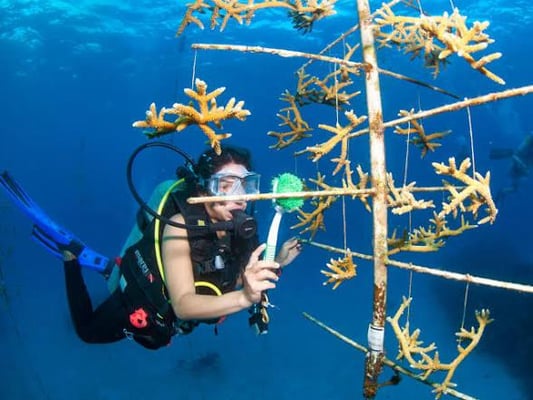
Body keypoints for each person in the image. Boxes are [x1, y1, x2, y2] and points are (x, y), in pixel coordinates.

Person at [0, 145, 302, 350]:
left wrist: (277, 262)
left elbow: (229, 279)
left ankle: (111, 268)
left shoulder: (241, 230)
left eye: (247, 185)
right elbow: (184, 304)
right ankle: (70, 259)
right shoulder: (178, 227)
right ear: (203, 188)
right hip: (146, 296)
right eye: (226, 185)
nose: (241, 196)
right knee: (87, 332)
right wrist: (245, 297)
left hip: (179, 311)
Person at [489, 132, 533, 202]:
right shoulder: (527, 143)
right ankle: (497, 196)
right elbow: (516, 154)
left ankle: (499, 196)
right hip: (519, 164)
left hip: (522, 166)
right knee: (514, 186)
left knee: (514, 188)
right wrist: (521, 164)